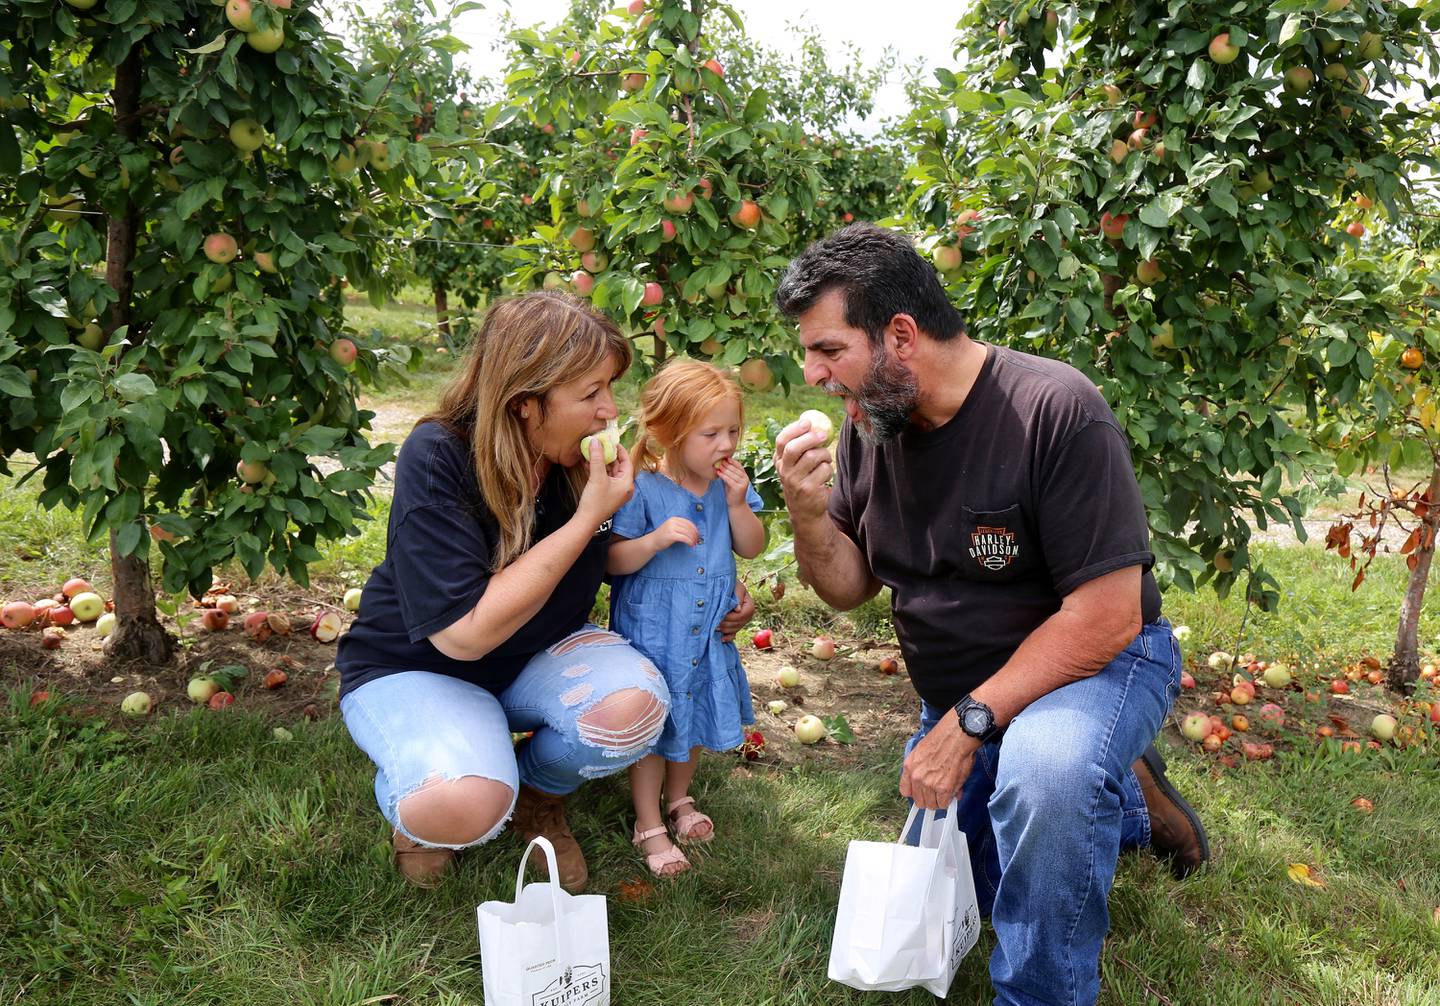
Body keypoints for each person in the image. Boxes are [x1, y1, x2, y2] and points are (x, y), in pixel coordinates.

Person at [772, 223, 1208, 1006]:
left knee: (1044, 776)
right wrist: (807, 513)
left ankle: (1040, 989)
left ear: (900, 335)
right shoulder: (873, 426)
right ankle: (1132, 802)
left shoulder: (1054, 410)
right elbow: (848, 587)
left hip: (1096, 666)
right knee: (968, 885)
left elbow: (1105, 618)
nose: (813, 375)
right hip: (965, 695)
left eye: (828, 350)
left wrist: (969, 723)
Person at [335, 292, 756, 892]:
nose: (609, 411)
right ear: (526, 403)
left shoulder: (583, 462)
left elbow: (625, 562)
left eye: (609, 388)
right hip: (421, 665)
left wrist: (719, 600)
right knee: (462, 807)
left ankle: (536, 794)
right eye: (590, 394)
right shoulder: (440, 456)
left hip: (539, 655)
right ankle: (437, 804)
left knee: (636, 709)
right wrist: (586, 518)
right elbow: (466, 634)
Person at [606, 360, 766, 877]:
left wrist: (740, 505)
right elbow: (613, 562)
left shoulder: (728, 489)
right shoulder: (644, 489)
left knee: (692, 710)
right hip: (656, 628)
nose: (726, 444)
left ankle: (679, 798)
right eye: (711, 433)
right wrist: (654, 539)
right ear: (670, 433)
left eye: (733, 431)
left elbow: (753, 546)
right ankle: (647, 822)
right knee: (656, 720)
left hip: (707, 629)